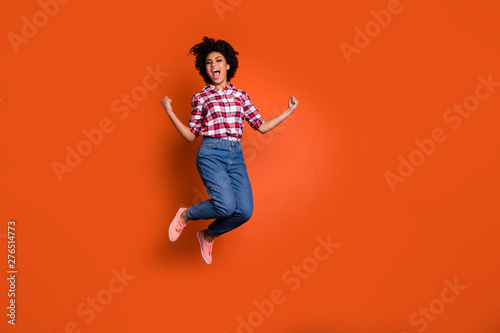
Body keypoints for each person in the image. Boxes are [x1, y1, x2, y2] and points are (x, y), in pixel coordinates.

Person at [161, 36, 299, 264]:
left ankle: (208, 235)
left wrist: (288, 111)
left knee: (243, 211)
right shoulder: (201, 98)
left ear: (227, 65)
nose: (213, 65)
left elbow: (261, 126)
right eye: (208, 62)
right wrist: (169, 111)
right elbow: (190, 136)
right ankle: (186, 214)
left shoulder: (241, 96)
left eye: (218, 60)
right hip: (211, 153)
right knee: (225, 206)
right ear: (205, 69)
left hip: (235, 156)